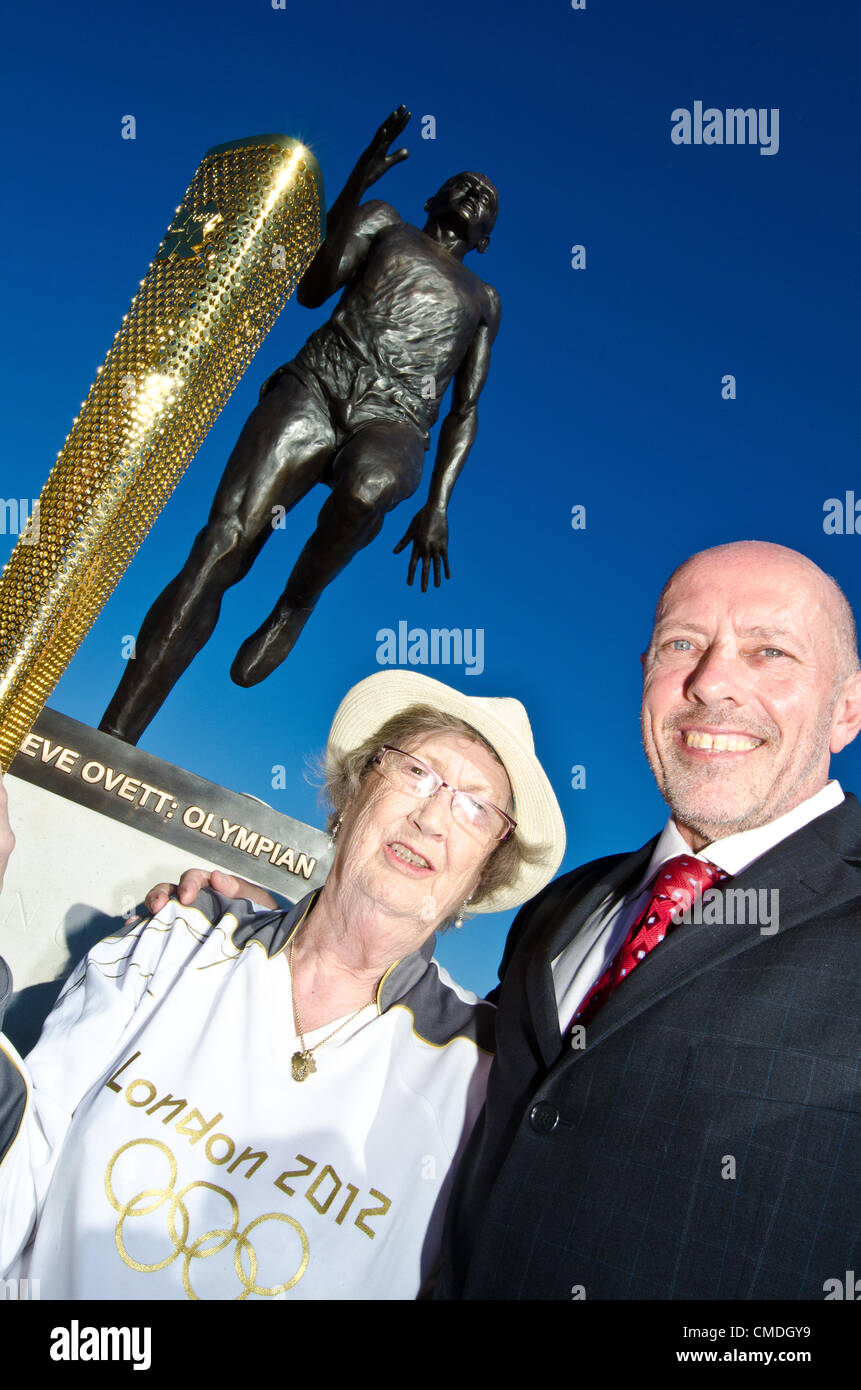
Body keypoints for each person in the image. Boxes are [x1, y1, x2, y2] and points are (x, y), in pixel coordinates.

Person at [0, 671, 565, 1300]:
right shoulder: (179, 938)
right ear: (353, 794)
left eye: (475, 807)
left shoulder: (484, 1075)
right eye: (415, 773)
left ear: (482, 874)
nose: (433, 816)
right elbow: (19, 1161)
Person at [436, 539, 861, 1300]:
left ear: (847, 710)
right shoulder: (562, 904)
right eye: (681, 644)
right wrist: (285, 947)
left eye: (769, 651)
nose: (712, 682)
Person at [100, 106, 501, 744]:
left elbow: (466, 409)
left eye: (488, 199)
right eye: (464, 181)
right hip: (319, 381)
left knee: (367, 489)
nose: (476, 187)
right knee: (217, 549)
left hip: (393, 418)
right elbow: (313, 288)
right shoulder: (384, 221)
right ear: (433, 196)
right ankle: (113, 739)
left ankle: (296, 602)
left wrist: (439, 504)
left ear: (485, 238)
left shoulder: (483, 299)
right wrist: (356, 186)